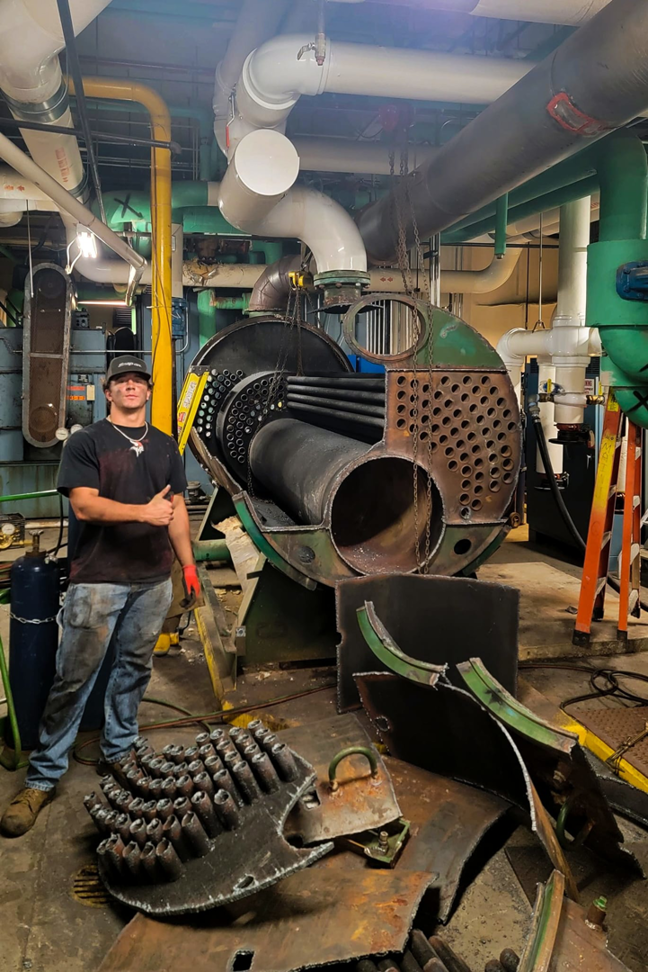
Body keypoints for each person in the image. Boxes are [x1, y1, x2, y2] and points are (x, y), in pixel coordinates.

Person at [1, 356, 200, 837]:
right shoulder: (87, 442)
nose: (131, 387)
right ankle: (44, 777)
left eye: (138, 381)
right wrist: (142, 514)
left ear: (148, 391)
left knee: (134, 670)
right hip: (98, 579)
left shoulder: (166, 446)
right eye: (121, 382)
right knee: (74, 677)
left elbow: (174, 510)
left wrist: (188, 565)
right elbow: (85, 505)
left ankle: (119, 752)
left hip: (153, 581)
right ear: (107, 392)